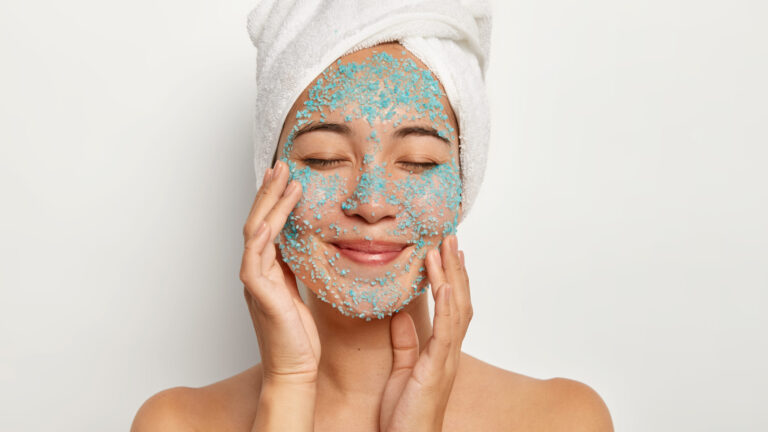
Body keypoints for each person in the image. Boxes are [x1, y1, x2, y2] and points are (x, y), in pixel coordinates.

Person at [131, 2, 614, 431]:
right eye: (323, 157)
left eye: (419, 161)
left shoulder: (561, 420)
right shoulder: (176, 423)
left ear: (465, 185)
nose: (371, 202)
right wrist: (287, 391)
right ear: (269, 180)